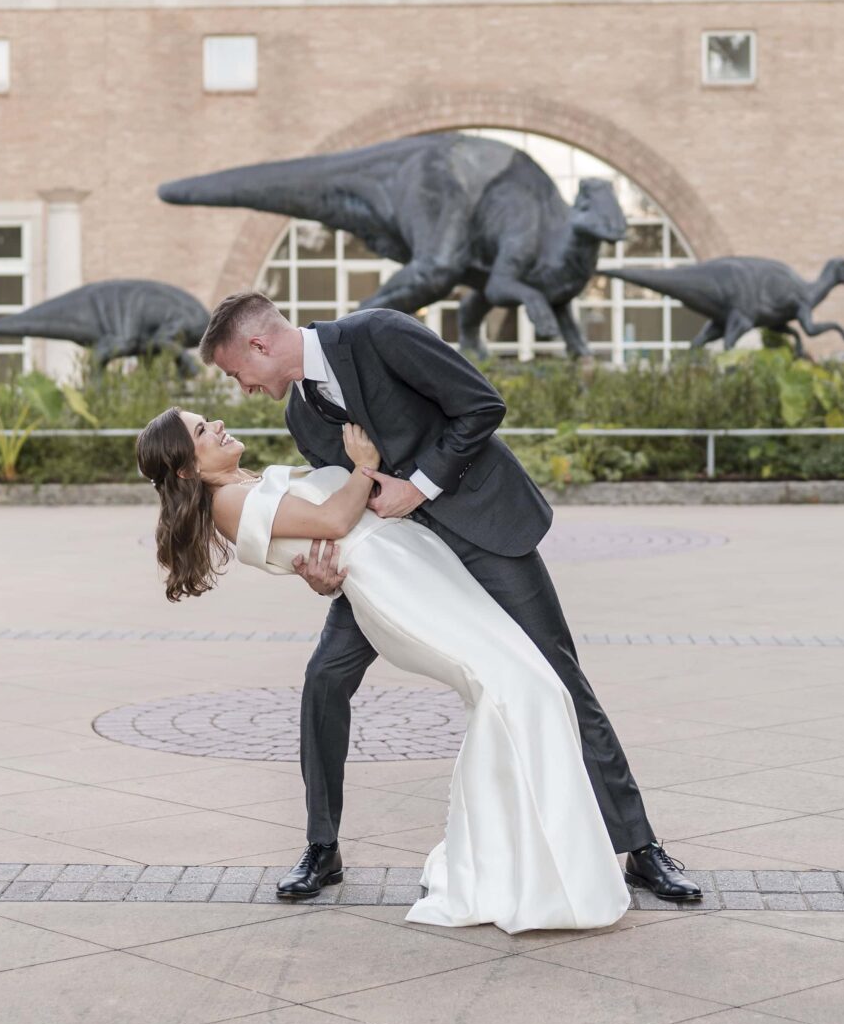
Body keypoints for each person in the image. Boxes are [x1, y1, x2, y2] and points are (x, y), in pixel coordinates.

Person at [194, 292, 701, 908]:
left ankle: (640, 849)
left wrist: (420, 485)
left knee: (558, 677)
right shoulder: (301, 419)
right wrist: (319, 573)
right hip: (401, 569)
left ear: (259, 345)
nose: (240, 387)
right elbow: (341, 509)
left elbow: (482, 406)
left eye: (235, 372)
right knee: (324, 679)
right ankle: (321, 848)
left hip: (487, 531)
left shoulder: (379, 334)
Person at [137, 405, 632, 932]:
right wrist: (362, 466)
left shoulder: (249, 482)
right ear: (188, 468)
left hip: (416, 562)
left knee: (522, 683)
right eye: (200, 431)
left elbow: (312, 537)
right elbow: (332, 520)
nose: (215, 424)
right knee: (512, 686)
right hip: (396, 585)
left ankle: (523, 849)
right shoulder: (229, 502)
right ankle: (503, 861)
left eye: (206, 419)